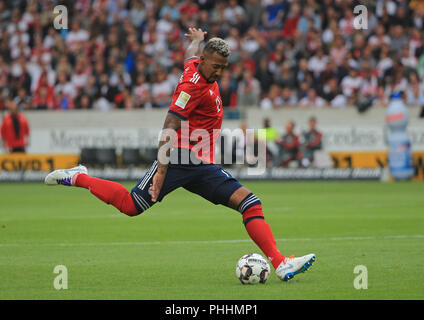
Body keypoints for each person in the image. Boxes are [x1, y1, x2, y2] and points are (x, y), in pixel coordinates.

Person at [44, 28, 315, 282]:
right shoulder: (191, 88)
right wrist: (162, 171)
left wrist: (196, 39)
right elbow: (169, 126)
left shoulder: (195, 65)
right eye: (216, 66)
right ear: (205, 61)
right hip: (179, 159)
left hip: (201, 163)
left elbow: (189, 56)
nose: (220, 72)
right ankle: (79, 177)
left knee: (250, 203)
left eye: (224, 68)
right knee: (131, 206)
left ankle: (280, 263)